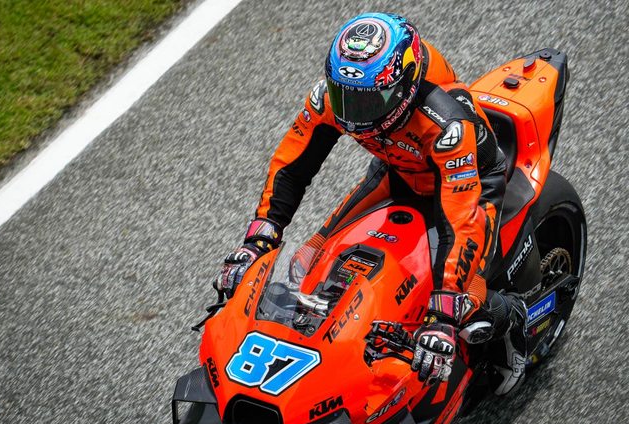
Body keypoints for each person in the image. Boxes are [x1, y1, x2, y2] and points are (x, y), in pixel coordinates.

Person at [216, 12, 527, 395]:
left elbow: (460, 220)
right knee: (308, 261)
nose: (350, 112)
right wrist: (258, 239)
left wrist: (443, 313)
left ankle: (514, 322)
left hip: (471, 180)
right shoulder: (336, 94)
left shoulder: (447, 123)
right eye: (344, 97)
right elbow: (291, 166)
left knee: (464, 299)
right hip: (398, 167)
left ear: (402, 87)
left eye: (364, 101)